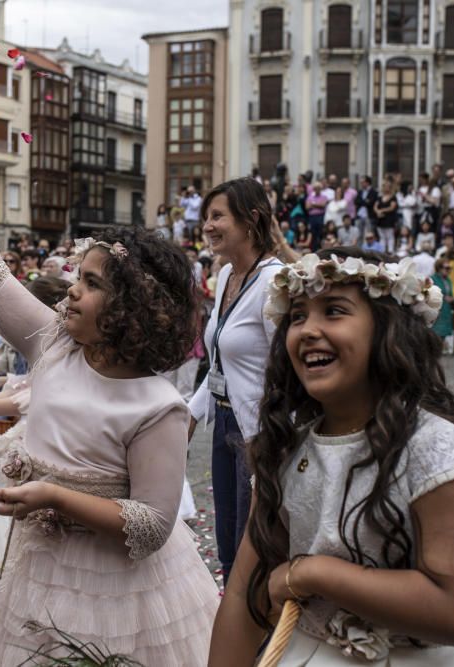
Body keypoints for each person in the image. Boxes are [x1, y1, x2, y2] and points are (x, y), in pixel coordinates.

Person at [0, 109, 219, 665]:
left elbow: (153, 524)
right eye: (76, 278)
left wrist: (55, 496)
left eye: (90, 283)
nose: (70, 292)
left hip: (120, 593)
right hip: (37, 570)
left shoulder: (159, 406)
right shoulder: (54, 343)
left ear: (133, 308)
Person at [209, 248, 454, 665]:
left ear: (389, 330)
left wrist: (311, 573)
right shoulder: (285, 452)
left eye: (334, 311)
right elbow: (241, 596)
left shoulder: (435, 449)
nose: (308, 330)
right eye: (298, 315)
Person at [188, 177, 284, 584]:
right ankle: (236, 632)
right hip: (223, 426)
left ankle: (262, 638)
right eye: (205, 217)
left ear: (251, 220)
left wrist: (266, 439)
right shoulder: (227, 275)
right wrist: (190, 418)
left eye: (217, 216)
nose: (207, 226)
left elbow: (286, 370)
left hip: (257, 433)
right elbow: (218, 367)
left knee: (254, 550)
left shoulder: (274, 282)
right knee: (227, 544)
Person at [433, 257, 454, 352]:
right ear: (439, 268)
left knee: (444, 334)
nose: (448, 270)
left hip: (446, 310)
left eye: (449, 268)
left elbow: (449, 293)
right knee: (436, 333)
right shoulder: (432, 279)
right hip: (437, 310)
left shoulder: (448, 280)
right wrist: (443, 297)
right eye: (446, 268)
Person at [373, 180, 399, 253]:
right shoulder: (380, 197)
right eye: (384, 186)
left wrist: (382, 210)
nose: (385, 188)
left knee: (390, 236)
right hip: (381, 220)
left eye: (387, 187)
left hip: (389, 220)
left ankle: (390, 251)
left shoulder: (393, 197)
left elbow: (392, 207)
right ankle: (382, 250)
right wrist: (377, 211)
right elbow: (375, 206)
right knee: (382, 237)